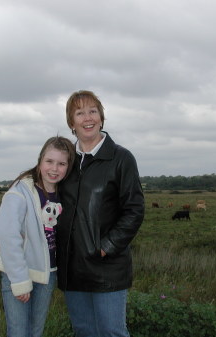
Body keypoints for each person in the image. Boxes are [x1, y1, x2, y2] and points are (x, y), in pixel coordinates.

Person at [56, 90, 145, 337]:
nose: (88, 118)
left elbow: (134, 209)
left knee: (111, 331)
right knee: (84, 331)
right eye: (79, 112)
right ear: (71, 122)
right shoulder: (65, 160)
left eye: (93, 111)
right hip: (72, 267)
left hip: (107, 265)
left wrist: (105, 246)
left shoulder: (121, 158)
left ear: (101, 118)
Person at [0, 136, 75, 337]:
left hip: (47, 274)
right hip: (20, 272)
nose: (54, 169)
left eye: (61, 163)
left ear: (68, 166)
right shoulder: (20, 192)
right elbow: (8, 237)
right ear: (40, 161)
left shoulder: (64, 193)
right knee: (19, 332)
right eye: (49, 161)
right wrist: (20, 281)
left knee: (35, 332)